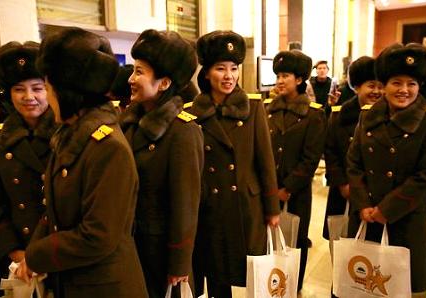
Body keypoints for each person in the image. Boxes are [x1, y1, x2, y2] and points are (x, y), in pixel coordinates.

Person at [23, 27, 147, 298]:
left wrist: (36, 254)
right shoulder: (69, 135)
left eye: (47, 86)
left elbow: (98, 236)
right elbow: (55, 209)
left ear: (68, 91)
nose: (46, 95)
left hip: (105, 287)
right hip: (76, 280)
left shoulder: (106, 147)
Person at [347, 43, 426, 298]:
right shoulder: (367, 115)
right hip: (366, 215)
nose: (403, 90)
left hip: (405, 217)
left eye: (411, 84)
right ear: (384, 85)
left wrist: (386, 210)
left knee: (404, 287)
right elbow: (355, 162)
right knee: (361, 285)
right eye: (396, 82)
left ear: (420, 86)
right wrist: (362, 205)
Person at [190, 30, 280, 298]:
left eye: (234, 68)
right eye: (220, 69)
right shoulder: (191, 112)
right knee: (217, 273)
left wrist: (272, 208)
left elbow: (265, 160)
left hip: (246, 206)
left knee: (252, 273)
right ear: (206, 73)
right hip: (211, 206)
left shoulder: (253, 107)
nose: (229, 76)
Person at [120, 29, 203, 298]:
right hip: (128, 244)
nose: (131, 79)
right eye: (133, 70)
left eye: (140, 72)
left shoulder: (182, 131)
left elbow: (186, 202)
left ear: (164, 83)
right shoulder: (128, 122)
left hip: (158, 251)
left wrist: (179, 261)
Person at [0, 41, 56, 278]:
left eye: (37, 88)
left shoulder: (67, 132)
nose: (29, 97)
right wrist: (15, 251)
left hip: (59, 250)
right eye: (18, 89)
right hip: (22, 255)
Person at [267, 49, 326, 292]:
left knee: (296, 240)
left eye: (286, 76)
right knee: (269, 240)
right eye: (278, 76)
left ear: (300, 80)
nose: (280, 81)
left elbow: (311, 158)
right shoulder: (267, 110)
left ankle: (294, 286)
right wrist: (270, 188)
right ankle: (271, 282)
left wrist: (288, 188)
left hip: (297, 193)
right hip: (269, 190)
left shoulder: (314, 114)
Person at [324, 56, 383, 239]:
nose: (377, 91)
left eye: (381, 86)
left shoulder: (391, 117)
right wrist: (342, 183)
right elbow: (330, 151)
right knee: (344, 248)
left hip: (378, 197)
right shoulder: (340, 116)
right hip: (344, 193)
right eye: (371, 86)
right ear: (357, 87)